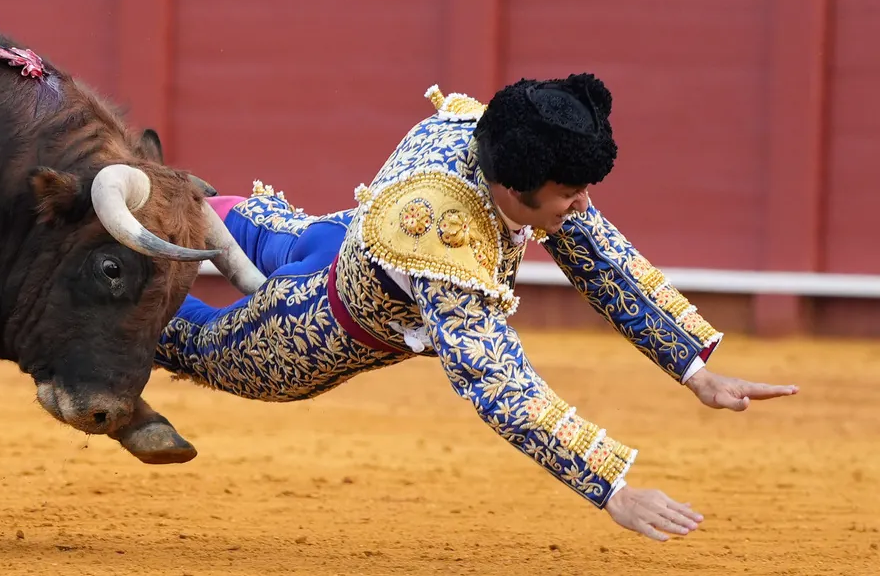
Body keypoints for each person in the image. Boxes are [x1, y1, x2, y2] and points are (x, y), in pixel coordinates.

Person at [122, 74, 800, 541]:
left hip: (333, 238)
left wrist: (694, 369)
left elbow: (598, 255)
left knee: (221, 215)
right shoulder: (448, 240)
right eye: (571, 191)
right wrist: (612, 490)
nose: (583, 206)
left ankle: (154, 202)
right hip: (315, 327)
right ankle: (79, 277)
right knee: (179, 338)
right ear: (515, 184)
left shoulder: (482, 130)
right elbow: (497, 383)